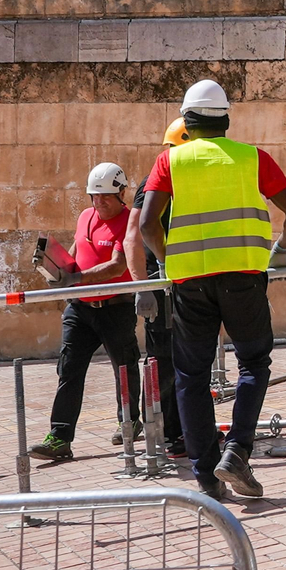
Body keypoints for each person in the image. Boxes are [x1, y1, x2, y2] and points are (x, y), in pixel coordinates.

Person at [138, 79, 286, 503]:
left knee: (191, 376)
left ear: (187, 122)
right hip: (244, 278)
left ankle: (205, 477)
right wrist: (281, 249)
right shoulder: (253, 158)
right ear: (226, 120)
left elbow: (146, 224)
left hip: (189, 282)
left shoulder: (170, 161)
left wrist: (166, 261)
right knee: (253, 363)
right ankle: (237, 451)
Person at [28, 162, 143, 461]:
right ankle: (59, 437)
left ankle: (130, 421)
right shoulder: (85, 217)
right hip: (79, 309)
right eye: (95, 195)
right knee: (69, 370)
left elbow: (117, 265)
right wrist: (56, 268)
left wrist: (76, 278)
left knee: (124, 367)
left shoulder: (128, 221)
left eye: (106, 196)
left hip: (115, 307)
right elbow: (76, 252)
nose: (99, 201)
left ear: (121, 194)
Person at [119, 117, 189, 457]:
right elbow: (133, 235)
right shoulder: (156, 181)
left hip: (182, 280)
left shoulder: (182, 178)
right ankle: (169, 434)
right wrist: (143, 287)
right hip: (162, 282)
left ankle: (180, 430)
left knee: (186, 356)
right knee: (166, 358)